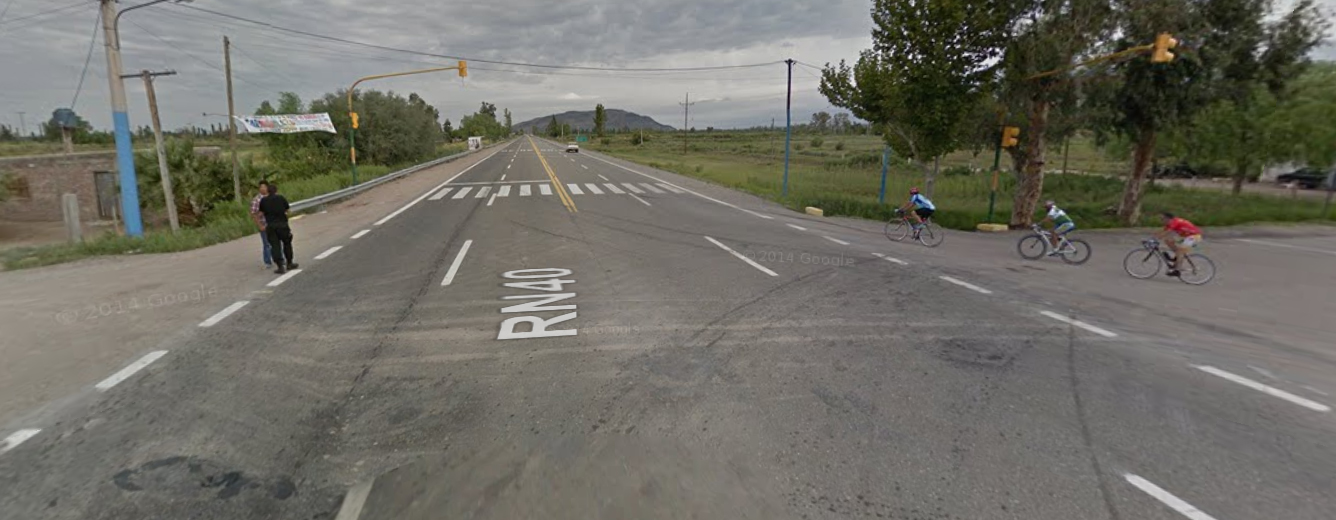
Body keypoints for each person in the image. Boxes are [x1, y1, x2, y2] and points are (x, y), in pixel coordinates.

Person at [258, 183, 299, 274]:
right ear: (276, 190)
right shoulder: (281, 198)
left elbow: (260, 213)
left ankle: (280, 266)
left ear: (268, 191)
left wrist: (262, 223)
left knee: (275, 246)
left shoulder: (263, 200)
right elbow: (288, 210)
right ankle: (289, 263)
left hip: (271, 226)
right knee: (287, 244)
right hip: (282, 225)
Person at [1155, 212, 1202, 277]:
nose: (1161, 221)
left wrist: (1157, 238)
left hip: (1194, 236)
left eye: (1162, 219)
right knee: (1168, 240)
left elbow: (1168, 232)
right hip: (1186, 237)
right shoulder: (1169, 224)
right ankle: (1177, 257)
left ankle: (1177, 270)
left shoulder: (1175, 221)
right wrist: (1152, 238)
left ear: (1167, 218)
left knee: (1180, 251)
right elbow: (1162, 232)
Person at [250, 181, 273, 269]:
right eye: (261, 187)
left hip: (273, 223)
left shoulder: (272, 196)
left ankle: (280, 259)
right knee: (266, 244)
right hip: (264, 224)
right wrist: (260, 226)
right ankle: (267, 261)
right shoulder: (257, 200)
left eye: (264, 187)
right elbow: (253, 214)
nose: (263, 189)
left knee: (277, 242)